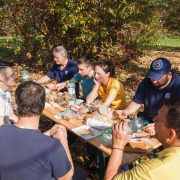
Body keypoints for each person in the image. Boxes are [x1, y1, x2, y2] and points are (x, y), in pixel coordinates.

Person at [0, 81, 74, 180]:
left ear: (17, 107)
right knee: (80, 173)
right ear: (42, 107)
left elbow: (26, 143)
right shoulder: (53, 145)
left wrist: (48, 133)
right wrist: (63, 140)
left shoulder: (3, 131)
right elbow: (66, 177)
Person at [104, 98, 180, 180]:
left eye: (158, 119)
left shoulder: (150, 171)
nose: (154, 119)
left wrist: (118, 146)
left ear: (170, 134)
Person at [115, 57, 180, 134]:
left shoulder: (177, 86)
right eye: (152, 77)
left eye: (158, 78)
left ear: (169, 75)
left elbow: (177, 117)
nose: (154, 81)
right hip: (145, 120)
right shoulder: (147, 81)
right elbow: (136, 103)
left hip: (167, 124)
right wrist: (124, 112)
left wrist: (160, 125)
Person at [0, 61, 18, 126]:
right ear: (1, 77)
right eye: (12, 75)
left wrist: (27, 128)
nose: (15, 77)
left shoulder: (6, 89)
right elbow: (2, 127)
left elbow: (11, 115)